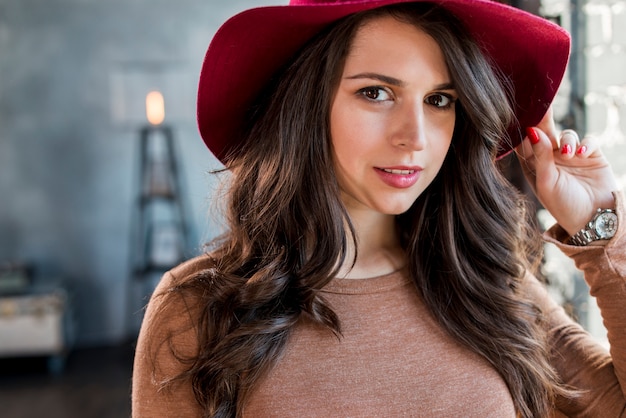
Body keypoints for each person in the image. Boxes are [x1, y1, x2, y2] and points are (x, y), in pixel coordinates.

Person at [132, 0, 625, 417]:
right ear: (305, 104)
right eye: (376, 93)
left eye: (439, 100)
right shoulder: (197, 308)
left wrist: (598, 225)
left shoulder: (486, 278)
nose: (414, 138)